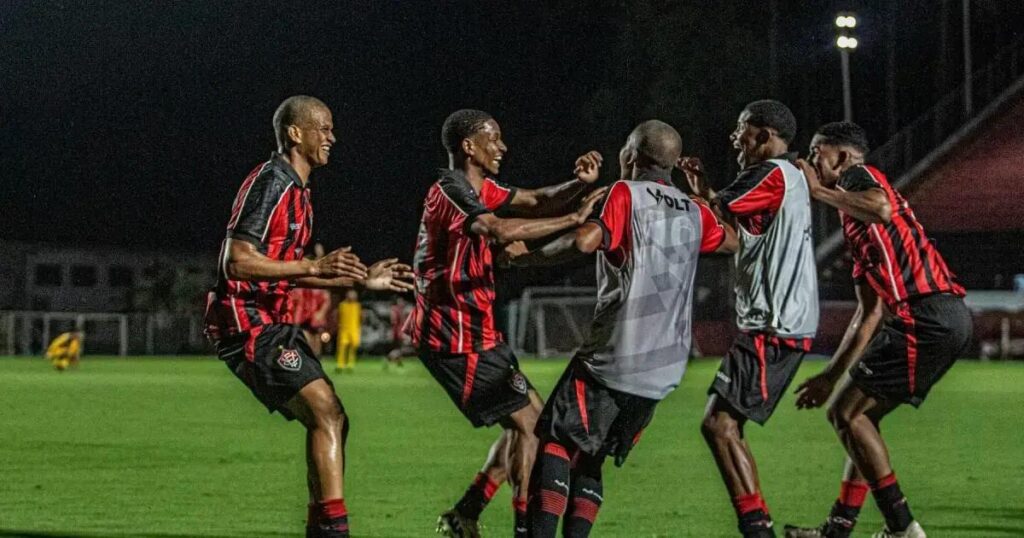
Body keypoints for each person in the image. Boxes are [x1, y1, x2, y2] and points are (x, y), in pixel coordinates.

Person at [508, 120, 736, 537]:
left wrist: (527, 257)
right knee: (591, 455)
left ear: (631, 156)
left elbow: (584, 241)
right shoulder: (696, 210)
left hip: (615, 358)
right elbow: (732, 242)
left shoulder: (624, 193)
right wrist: (703, 194)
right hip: (665, 370)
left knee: (555, 440)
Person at [202, 95, 413, 538]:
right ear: (295, 133)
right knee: (325, 411)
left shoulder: (300, 192)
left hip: (271, 321)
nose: (332, 137)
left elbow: (289, 274)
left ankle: (324, 527)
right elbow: (236, 262)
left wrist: (359, 282)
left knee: (332, 417)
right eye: (324, 128)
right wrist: (313, 266)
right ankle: (334, 530)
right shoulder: (272, 182)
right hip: (247, 322)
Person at [410, 108, 606, 538]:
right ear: (468, 146)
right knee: (533, 426)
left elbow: (535, 199)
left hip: (477, 333)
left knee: (526, 422)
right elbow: (496, 230)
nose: (502, 146)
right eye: (493, 139)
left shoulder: (481, 189)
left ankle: (466, 513)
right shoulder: (451, 188)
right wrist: (575, 219)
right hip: (455, 337)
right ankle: (522, 527)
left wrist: (579, 186)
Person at [783, 122, 971, 538]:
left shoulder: (858, 177)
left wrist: (818, 191)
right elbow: (867, 316)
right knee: (857, 417)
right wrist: (830, 376)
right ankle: (839, 527)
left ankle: (902, 528)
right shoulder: (856, 228)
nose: (813, 161)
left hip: (928, 315)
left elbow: (882, 206)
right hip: (937, 318)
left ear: (844, 157)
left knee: (846, 414)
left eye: (819, 152)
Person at [686, 100, 819, 537]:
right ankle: (757, 525)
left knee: (719, 424)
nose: (734, 137)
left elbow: (714, 218)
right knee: (726, 425)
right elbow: (729, 218)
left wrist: (674, 203)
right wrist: (704, 192)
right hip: (781, 324)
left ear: (764, 136)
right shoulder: (789, 177)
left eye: (742, 129)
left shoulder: (770, 174)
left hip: (773, 325)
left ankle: (756, 529)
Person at [385, 296, 414, 370]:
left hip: (399, 331)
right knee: (399, 348)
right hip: (398, 332)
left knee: (399, 347)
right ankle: (389, 358)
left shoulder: (399, 310)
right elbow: (393, 321)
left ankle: (399, 363)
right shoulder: (395, 309)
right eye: (400, 301)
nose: (402, 303)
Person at [336, 289, 361, 371]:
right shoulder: (342, 305)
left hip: (354, 329)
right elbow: (338, 316)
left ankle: (350, 364)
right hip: (344, 329)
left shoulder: (357, 306)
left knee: (352, 348)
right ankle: (340, 364)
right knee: (342, 347)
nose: (352, 297)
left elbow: (360, 317)